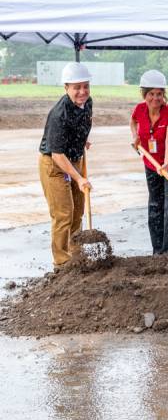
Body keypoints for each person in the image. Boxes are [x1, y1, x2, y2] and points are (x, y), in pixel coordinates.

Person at [38, 62, 93, 267]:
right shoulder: (59, 114)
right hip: (54, 165)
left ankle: (75, 255)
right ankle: (61, 262)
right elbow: (57, 155)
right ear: (66, 88)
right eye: (76, 87)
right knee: (63, 213)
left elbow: (87, 120)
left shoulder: (88, 102)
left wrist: (82, 139)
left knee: (78, 210)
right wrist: (79, 178)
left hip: (74, 159)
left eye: (85, 86)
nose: (82, 91)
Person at [130, 70, 168, 254]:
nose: (155, 98)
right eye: (151, 94)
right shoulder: (139, 109)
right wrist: (135, 138)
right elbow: (133, 122)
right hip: (151, 163)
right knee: (155, 204)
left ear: (164, 94)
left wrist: (166, 163)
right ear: (144, 94)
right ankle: (158, 250)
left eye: (159, 94)